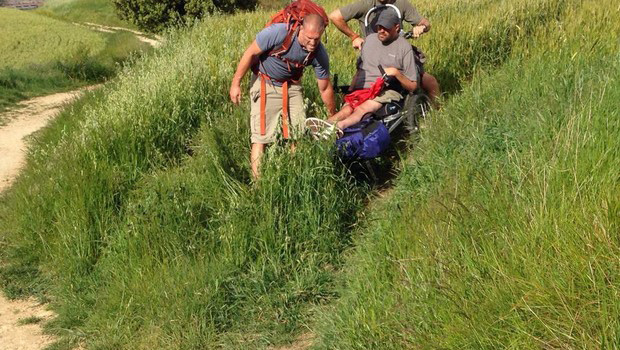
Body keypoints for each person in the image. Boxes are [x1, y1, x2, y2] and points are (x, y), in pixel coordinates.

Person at [229, 14, 336, 179]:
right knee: (261, 136)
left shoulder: (319, 52)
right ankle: (259, 185)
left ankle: (294, 178)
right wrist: (236, 83)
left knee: (298, 133)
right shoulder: (279, 33)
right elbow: (250, 53)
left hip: (292, 86)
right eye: (309, 38)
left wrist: (332, 116)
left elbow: (325, 87)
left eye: (317, 38)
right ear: (300, 28)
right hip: (265, 82)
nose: (313, 43)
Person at [328, 0, 440, 105]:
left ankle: (436, 112)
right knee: (358, 82)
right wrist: (354, 37)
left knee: (429, 82)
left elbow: (426, 23)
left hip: (396, 52)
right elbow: (335, 16)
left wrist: (422, 27)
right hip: (373, 54)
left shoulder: (401, 4)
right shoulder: (365, 4)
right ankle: (350, 104)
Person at [324, 10, 418, 131]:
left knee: (362, 109)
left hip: (386, 89)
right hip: (363, 88)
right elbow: (360, 68)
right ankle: (325, 125)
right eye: (379, 27)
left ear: (397, 27)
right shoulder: (369, 40)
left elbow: (413, 86)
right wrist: (351, 89)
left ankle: (339, 127)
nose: (381, 30)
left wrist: (396, 73)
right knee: (347, 108)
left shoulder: (404, 47)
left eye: (386, 27)